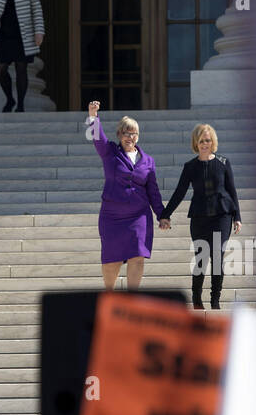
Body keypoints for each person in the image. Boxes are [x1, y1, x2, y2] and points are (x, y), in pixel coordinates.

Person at [158, 124, 241, 309]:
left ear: (213, 142)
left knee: (218, 257)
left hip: (222, 216)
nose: (205, 144)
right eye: (201, 141)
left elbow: (232, 190)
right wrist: (165, 215)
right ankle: (196, 298)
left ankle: (215, 300)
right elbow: (179, 192)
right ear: (196, 143)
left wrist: (238, 217)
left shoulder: (223, 163)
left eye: (208, 140)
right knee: (201, 257)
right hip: (199, 217)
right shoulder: (190, 167)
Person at [87, 101, 165, 291]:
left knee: (137, 256)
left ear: (138, 136)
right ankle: (109, 294)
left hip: (139, 215)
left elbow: (153, 191)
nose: (129, 137)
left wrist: (162, 215)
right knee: (111, 260)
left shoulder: (148, 161)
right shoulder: (110, 153)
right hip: (112, 216)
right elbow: (97, 138)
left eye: (133, 133)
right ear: (119, 135)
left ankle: (132, 299)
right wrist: (92, 117)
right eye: (125, 133)